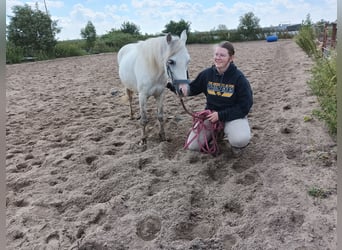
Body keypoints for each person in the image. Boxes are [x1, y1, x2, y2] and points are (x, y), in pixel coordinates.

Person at [177, 41, 253, 155]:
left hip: (233, 116)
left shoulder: (239, 78)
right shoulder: (207, 74)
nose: (218, 58)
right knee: (193, 146)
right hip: (211, 115)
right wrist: (179, 89)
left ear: (231, 58)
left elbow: (245, 106)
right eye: (216, 54)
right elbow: (192, 89)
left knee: (240, 139)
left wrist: (221, 115)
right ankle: (217, 134)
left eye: (222, 55)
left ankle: (233, 137)